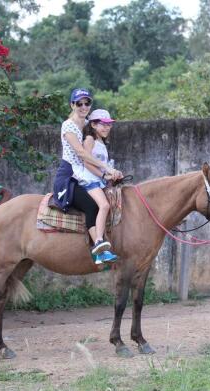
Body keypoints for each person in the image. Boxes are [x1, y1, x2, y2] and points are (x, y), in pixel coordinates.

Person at [52, 88, 119, 265]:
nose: (83, 107)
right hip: (69, 176)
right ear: (72, 105)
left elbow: (96, 141)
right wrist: (106, 168)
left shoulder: (88, 123)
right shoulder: (69, 125)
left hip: (83, 174)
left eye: (86, 103)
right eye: (79, 103)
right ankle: (98, 249)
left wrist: (108, 172)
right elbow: (81, 153)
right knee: (92, 206)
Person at [81, 108, 123, 260]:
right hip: (89, 180)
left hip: (98, 180)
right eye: (102, 124)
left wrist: (113, 174)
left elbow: (102, 166)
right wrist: (104, 174)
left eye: (109, 124)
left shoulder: (102, 143)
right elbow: (86, 162)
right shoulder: (89, 140)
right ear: (93, 125)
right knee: (104, 206)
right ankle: (98, 241)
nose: (106, 127)